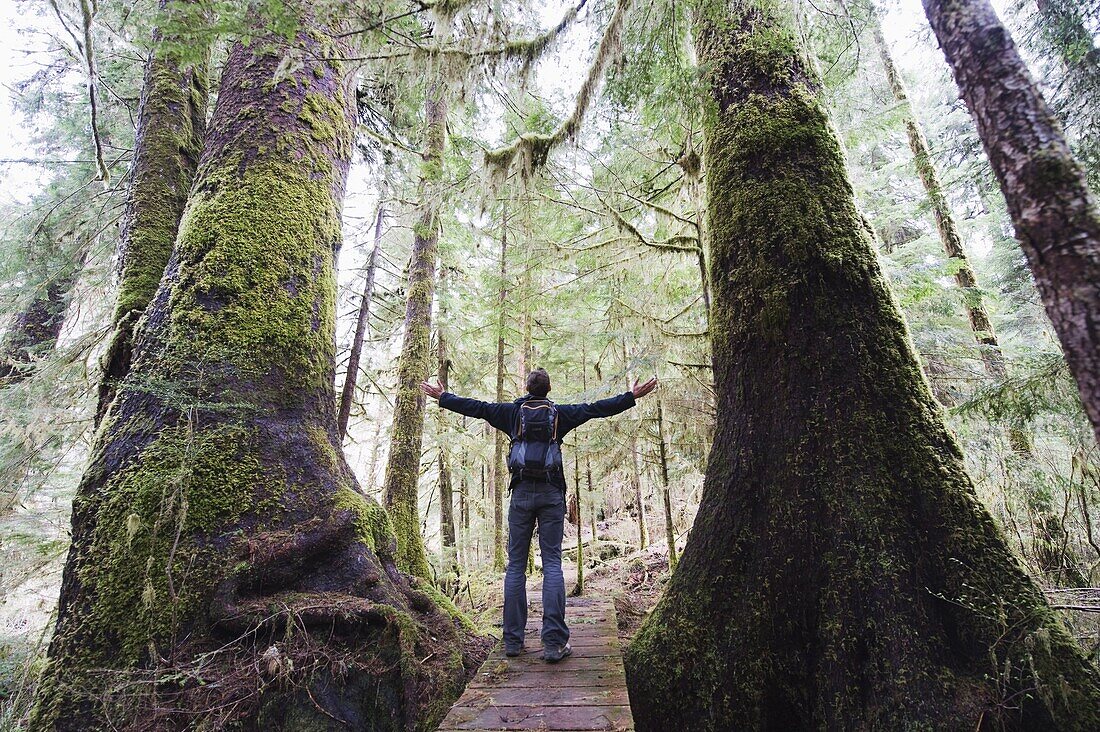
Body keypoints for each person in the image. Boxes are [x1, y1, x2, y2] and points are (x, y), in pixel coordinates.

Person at [420, 368, 658, 662]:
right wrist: (630, 396)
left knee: (516, 567)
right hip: (551, 494)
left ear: (527, 388)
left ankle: (512, 641)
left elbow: (477, 409)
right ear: (548, 389)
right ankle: (554, 643)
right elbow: (596, 410)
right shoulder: (560, 415)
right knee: (553, 565)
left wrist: (444, 397)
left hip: (521, 495)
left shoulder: (510, 413)